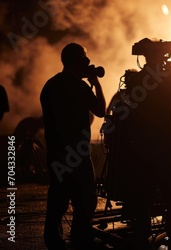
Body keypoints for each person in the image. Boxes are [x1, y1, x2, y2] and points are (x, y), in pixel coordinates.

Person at [112, 38, 171, 249]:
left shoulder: (135, 80)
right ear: (163, 57)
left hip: (141, 151)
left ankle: (141, 239)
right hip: (165, 151)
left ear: (145, 58)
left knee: (142, 201)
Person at [40, 43, 106, 249]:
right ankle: (80, 237)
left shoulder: (50, 85)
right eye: (84, 59)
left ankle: (53, 239)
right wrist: (96, 83)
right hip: (77, 153)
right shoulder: (78, 87)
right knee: (85, 197)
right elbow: (101, 110)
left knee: (58, 197)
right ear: (79, 61)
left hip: (56, 152)